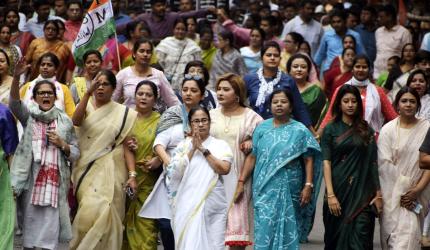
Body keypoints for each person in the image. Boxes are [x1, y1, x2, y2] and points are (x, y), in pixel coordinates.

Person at [236, 89, 321, 248]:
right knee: (264, 225)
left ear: (290, 107)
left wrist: (308, 185)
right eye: (275, 102)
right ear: (270, 106)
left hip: (290, 185)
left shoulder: (299, 129)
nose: (279, 105)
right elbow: (253, 156)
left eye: (283, 102)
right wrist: (241, 181)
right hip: (263, 186)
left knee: (288, 224)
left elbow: (309, 158)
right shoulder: (262, 128)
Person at [9, 59, 79, 250]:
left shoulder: (65, 121)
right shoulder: (29, 115)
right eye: (42, 93)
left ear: (55, 97)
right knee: (30, 236)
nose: (46, 95)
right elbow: (14, 103)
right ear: (35, 97)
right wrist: (16, 77)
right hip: (30, 179)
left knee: (49, 236)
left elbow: (75, 152)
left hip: (55, 183)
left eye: (49, 93)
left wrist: (62, 144)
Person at [70, 70, 138, 250]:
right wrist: (86, 93)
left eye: (105, 84)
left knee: (108, 211)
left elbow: (126, 145)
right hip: (86, 168)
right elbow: (76, 121)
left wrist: (132, 175)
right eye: (97, 84)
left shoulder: (124, 113)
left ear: (114, 88)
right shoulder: (86, 105)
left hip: (114, 168)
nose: (100, 87)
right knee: (87, 213)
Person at [138, 76, 207, 250]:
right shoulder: (172, 114)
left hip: (196, 179)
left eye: (193, 90)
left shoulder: (206, 117)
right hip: (171, 180)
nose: (188, 93)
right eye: (185, 90)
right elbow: (159, 142)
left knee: (192, 225)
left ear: (202, 94)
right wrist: (168, 162)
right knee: (167, 226)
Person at [321, 84, 382, 249]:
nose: (350, 105)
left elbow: (373, 162)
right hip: (337, 191)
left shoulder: (365, 130)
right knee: (336, 239)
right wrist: (331, 195)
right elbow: (326, 162)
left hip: (362, 193)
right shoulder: (330, 129)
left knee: (361, 237)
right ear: (339, 104)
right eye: (346, 101)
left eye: (354, 101)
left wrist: (378, 194)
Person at [165, 106, 232, 249]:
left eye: (204, 120)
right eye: (196, 121)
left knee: (215, 244)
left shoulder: (220, 145)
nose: (200, 124)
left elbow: (224, 169)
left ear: (209, 122)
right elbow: (174, 174)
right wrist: (193, 149)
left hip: (213, 206)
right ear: (190, 124)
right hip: (187, 204)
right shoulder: (182, 146)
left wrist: (203, 149)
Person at [209, 73, 263, 247]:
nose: (220, 93)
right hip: (212, 178)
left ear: (238, 94)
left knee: (236, 232)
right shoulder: (210, 115)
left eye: (226, 89)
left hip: (240, 178)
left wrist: (251, 141)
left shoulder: (252, 118)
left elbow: (261, 144)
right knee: (214, 229)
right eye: (218, 89)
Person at [378, 86, 430, 250]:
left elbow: (428, 163)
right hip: (392, 194)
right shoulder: (387, 130)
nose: (408, 104)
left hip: (419, 192)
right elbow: (384, 165)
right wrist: (403, 189)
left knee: (408, 238)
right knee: (392, 238)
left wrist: (416, 190)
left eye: (412, 101)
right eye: (404, 101)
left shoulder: (427, 127)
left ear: (418, 105)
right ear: (397, 105)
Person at [123, 81, 162, 250]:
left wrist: (157, 159)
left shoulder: (161, 121)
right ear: (134, 96)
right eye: (140, 93)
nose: (144, 97)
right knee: (123, 227)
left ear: (155, 99)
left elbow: (168, 147)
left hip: (149, 184)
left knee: (147, 229)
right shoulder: (126, 117)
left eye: (148, 95)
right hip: (125, 179)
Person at [320, 55, 397, 134]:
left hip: (372, 139)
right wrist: (318, 136)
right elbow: (330, 115)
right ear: (352, 69)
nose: (361, 70)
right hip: (345, 139)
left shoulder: (378, 91)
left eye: (364, 67)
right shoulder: (341, 90)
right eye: (357, 66)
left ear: (369, 70)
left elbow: (392, 117)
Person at [244, 41, 312, 127]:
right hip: (255, 127)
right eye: (268, 55)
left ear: (280, 59)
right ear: (261, 58)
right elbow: (238, 102)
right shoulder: (250, 79)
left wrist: (311, 132)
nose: (272, 58)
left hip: (282, 128)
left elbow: (299, 108)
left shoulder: (288, 80)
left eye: (276, 55)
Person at [114, 39, 179, 112]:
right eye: (141, 51)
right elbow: (112, 100)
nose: (145, 54)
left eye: (148, 52)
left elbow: (173, 101)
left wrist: (185, 117)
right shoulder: (123, 74)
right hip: (128, 120)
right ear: (134, 54)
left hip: (152, 120)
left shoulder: (159, 75)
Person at [19, 52, 75, 118]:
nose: (45, 67)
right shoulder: (28, 86)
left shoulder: (63, 89)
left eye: (49, 65)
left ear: (56, 69)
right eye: (43, 65)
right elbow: (18, 109)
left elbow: (71, 114)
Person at [155, 18, 201, 91]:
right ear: (173, 29)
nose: (180, 31)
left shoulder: (193, 47)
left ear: (186, 30)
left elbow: (198, 66)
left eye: (183, 29)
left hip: (187, 85)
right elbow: (158, 64)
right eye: (178, 29)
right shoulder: (165, 44)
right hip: (167, 83)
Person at [314, 9, 366, 74]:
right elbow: (320, 54)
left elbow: (361, 54)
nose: (336, 24)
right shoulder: (327, 35)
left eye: (339, 21)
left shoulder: (355, 36)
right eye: (333, 22)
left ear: (345, 21)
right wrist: (313, 69)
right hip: (329, 71)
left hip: (349, 71)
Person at [287, 53, 328, 129]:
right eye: (295, 67)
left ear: (308, 71)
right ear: (289, 70)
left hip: (310, 133)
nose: (299, 69)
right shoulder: (284, 89)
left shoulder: (316, 91)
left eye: (303, 67)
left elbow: (324, 116)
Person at [373, 4, 412, 78]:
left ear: (390, 17)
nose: (378, 19)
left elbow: (408, 56)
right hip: (377, 74)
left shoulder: (404, 33)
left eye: (381, 17)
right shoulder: (378, 31)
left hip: (395, 76)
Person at [0, 103, 18, 250]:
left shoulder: (4, 112)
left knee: (4, 221)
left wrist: (14, 182)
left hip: (1, 177)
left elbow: (11, 151)